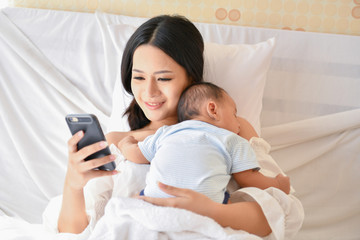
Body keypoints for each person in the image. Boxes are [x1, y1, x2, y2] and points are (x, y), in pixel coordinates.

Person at [56, 14, 302, 238]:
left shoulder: (230, 130)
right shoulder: (116, 142)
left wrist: (210, 210)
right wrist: (73, 183)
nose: (149, 92)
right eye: (139, 77)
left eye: (163, 78)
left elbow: (279, 216)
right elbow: (76, 233)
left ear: (191, 77)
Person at [118, 82, 290, 204]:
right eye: (234, 114)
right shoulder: (233, 140)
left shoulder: (167, 132)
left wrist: (126, 145)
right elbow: (247, 178)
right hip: (204, 207)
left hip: (155, 200)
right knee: (232, 205)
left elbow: (137, 155)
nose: (238, 123)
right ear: (213, 109)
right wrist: (278, 185)